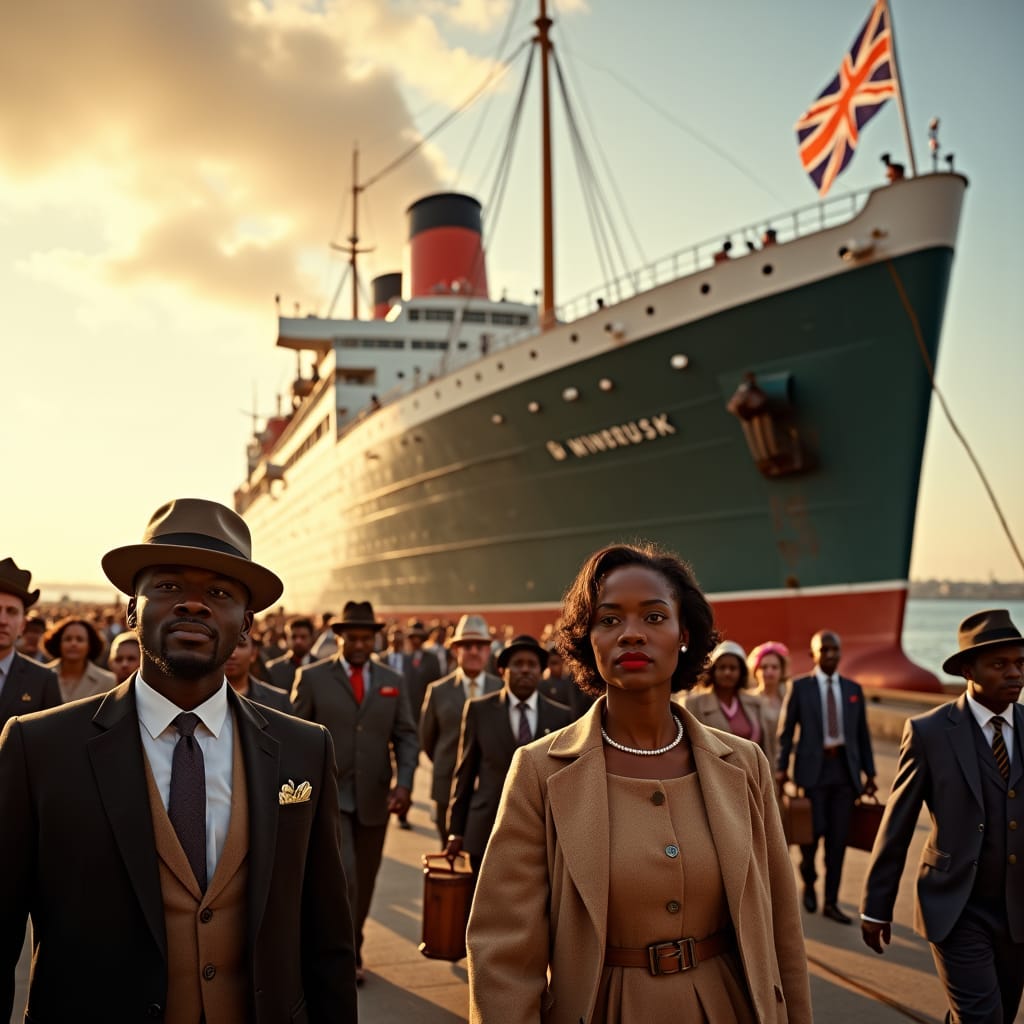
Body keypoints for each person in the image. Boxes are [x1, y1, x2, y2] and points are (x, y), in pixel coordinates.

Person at [0, 498, 357, 1021]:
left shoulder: (304, 748)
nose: (194, 605)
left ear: (246, 626)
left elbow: (328, 940)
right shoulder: (40, 748)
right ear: (130, 610)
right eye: (168, 587)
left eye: (219, 592)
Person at [467, 542, 811, 1024]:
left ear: (684, 633)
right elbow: (503, 957)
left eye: (653, 617)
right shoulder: (539, 771)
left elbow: (782, 932)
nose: (631, 634)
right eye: (609, 620)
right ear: (588, 640)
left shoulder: (745, 764)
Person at [861, 609, 1024, 1023]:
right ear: (968, 669)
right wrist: (875, 906)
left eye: (1020, 664)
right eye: (1000, 664)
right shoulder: (929, 732)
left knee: (1000, 1014)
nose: (1014, 674)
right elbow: (897, 823)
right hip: (956, 906)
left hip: (1019, 910)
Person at [291, 599, 418, 985]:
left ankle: (353, 943)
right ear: (340, 638)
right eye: (354, 638)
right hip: (329, 797)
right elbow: (295, 734)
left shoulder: (393, 683)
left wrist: (405, 782)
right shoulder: (313, 678)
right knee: (344, 876)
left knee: (365, 879)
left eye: (367, 638)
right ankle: (340, 954)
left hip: (375, 800)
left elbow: (407, 736)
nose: (361, 644)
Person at [446, 635, 572, 876]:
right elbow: (465, 773)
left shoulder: (561, 717)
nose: (525, 670)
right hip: (486, 829)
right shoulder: (479, 710)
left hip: (541, 833)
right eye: (518, 664)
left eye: (532, 664)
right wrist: (456, 830)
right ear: (502, 669)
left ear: (541, 671)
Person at [776, 629, 877, 924]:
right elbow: (785, 733)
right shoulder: (800, 688)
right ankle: (809, 879)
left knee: (837, 841)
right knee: (811, 835)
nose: (831, 655)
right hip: (812, 774)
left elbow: (862, 735)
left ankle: (830, 903)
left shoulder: (853, 689)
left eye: (836, 650)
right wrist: (782, 769)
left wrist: (869, 773)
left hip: (844, 774)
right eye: (826, 650)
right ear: (814, 655)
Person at [419, 614, 502, 847]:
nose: (474, 651)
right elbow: (428, 740)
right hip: (447, 786)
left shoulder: (501, 690)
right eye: (467, 646)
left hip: (489, 790)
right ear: (456, 649)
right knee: (450, 856)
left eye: (480, 646)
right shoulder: (438, 691)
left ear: (488, 651)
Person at [683, 639, 776, 770]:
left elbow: (767, 747)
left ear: (741, 672)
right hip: (715, 778)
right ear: (712, 671)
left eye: (733, 668)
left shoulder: (756, 703)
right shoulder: (694, 704)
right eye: (722, 668)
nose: (727, 672)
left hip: (752, 777)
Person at [0, 559, 61, 731]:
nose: (2, 620)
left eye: (11, 612)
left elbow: (53, 741)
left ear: (22, 625)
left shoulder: (43, 680)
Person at [42, 615, 117, 702]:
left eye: (80, 639)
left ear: (90, 645)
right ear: (58, 643)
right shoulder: (41, 676)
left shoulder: (107, 681)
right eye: (68, 639)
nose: (73, 644)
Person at [224, 633, 292, 714]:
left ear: (253, 653)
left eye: (241, 645)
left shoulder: (279, 701)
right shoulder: (205, 698)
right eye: (226, 644)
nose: (233, 654)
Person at [748, 640, 790, 765]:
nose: (769, 672)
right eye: (764, 667)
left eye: (774, 667)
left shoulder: (789, 698)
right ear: (755, 670)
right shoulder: (748, 701)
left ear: (782, 671)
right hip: (759, 764)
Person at [265, 616, 316, 692]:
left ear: (312, 638)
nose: (298, 641)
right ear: (286, 639)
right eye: (294, 637)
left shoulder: (321, 668)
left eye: (303, 637)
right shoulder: (272, 669)